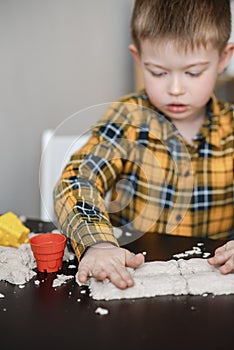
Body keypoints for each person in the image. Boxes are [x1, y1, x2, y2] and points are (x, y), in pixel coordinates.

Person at [53, 0, 234, 289]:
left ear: (224, 57)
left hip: (212, 288)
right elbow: (78, 179)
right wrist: (98, 244)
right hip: (132, 275)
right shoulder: (129, 119)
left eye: (193, 72)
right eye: (158, 72)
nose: (175, 88)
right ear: (138, 58)